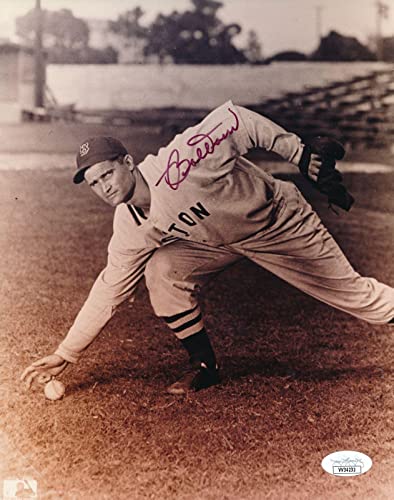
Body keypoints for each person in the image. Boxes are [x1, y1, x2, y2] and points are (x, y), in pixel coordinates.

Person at [21, 101, 394, 395]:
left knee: (357, 297)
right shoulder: (129, 224)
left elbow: (236, 119)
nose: (103, 186)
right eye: (93, 183)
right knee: (163, 271)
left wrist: (297, 153)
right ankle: (205, 367)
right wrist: (66, 353)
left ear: (129, 164)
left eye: (107, 174)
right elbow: (109, 291)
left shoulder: (179, 164)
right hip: (218, 242)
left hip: (279, 222)